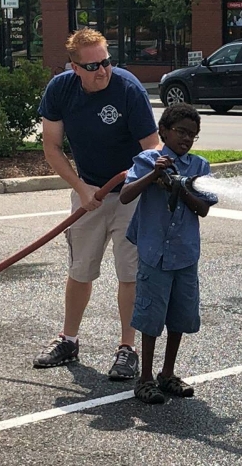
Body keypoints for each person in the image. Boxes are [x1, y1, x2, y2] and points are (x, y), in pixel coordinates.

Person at [33, 27, 159, 380]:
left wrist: (137, 175)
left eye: (106, 62)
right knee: (80, 269)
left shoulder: (128, 88)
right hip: (88, 191)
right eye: (92, 66)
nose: (102, 71)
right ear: (75, 68)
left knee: (129, 273)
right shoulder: (60, 90)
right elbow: (51, 147)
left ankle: (127, 349)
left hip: (130, 194)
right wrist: (81, 188)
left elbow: (153, 147)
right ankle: (69, 340)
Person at [120, 104, 218, 404]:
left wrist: (180, 187)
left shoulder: (199, 166)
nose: (186, 139)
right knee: (151, 316)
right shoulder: (148, 160)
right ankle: (145, 378)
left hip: (185, 254)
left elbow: (203, 208)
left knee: (180, 314)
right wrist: (154, 175)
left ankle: (167, 373)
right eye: (181, 132)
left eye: (193, 135)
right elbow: (125, 195)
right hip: (155, 254)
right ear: (163, 131)